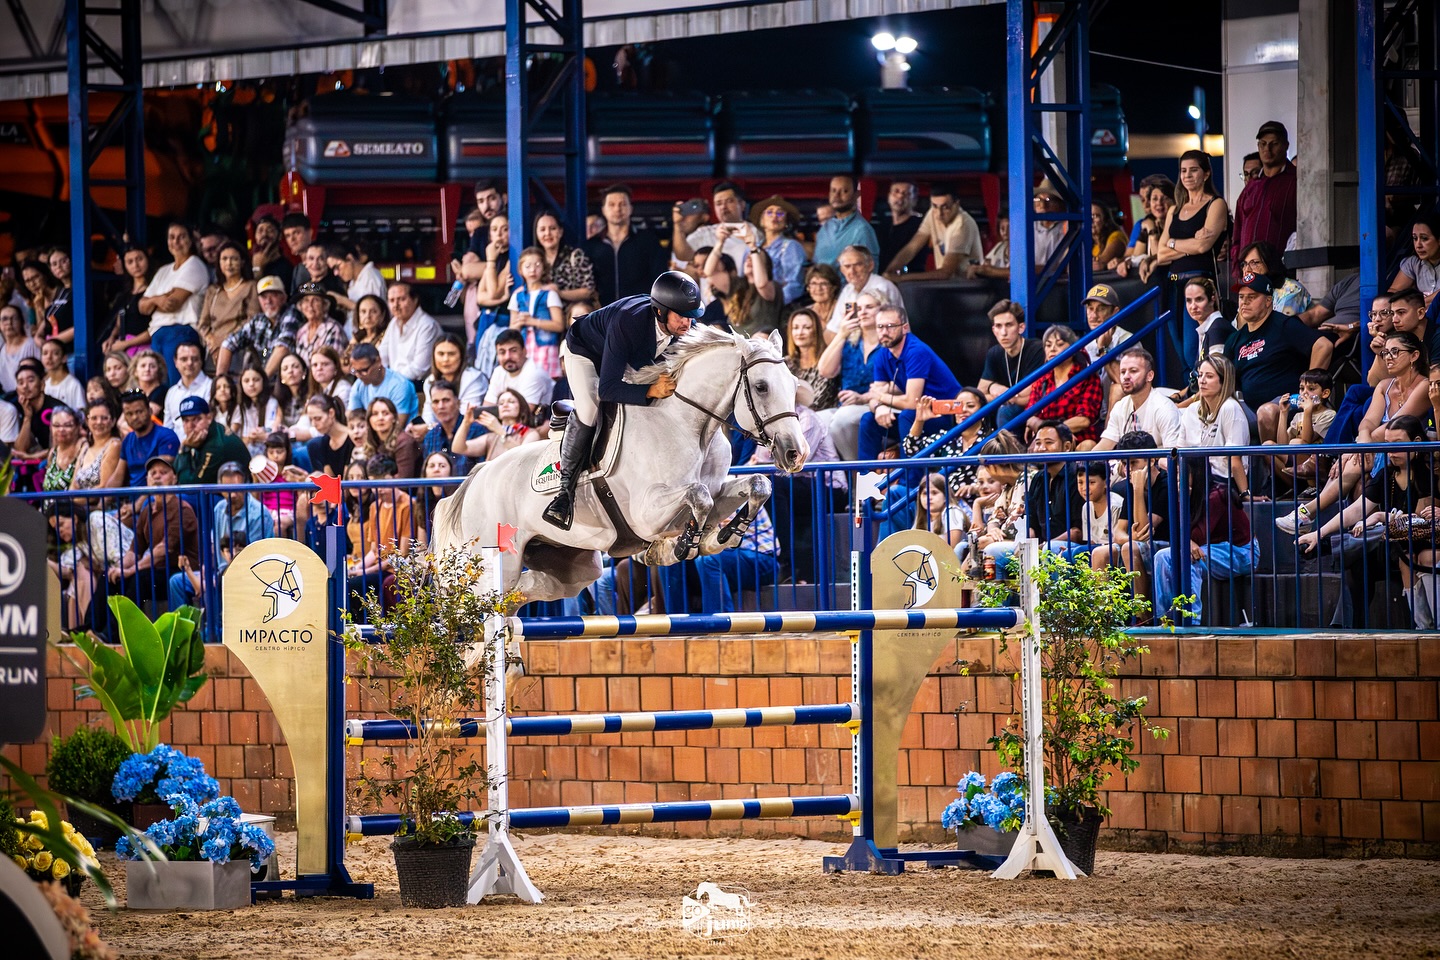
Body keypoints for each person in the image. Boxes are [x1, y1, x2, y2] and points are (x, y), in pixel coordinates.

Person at [542, 270, 704, 529]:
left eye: (692, 316)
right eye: (682, 316)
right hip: (586, 351)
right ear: (661, 312)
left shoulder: (684, 326)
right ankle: (564, 493)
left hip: (627, 355)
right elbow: (607, 388)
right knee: (590, 406)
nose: (688, 323)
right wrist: (650, 391)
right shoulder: (629, 321)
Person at [1276, 331, 1430, 534]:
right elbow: (1367, 423)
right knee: (1351, 462)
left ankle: (1306, 514)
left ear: (1414, 356)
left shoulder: (1424, 385)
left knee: (1350, 461)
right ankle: (1307, 516)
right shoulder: (1384, 385)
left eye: (1395, 352)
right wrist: (1360, 445)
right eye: (1385, 353)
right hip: (1373, 449)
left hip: (1404, 451)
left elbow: (1394, 427)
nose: (1388, 358)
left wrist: (1356, 448)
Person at [1226, 272, 1332, 441]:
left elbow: (1323, 346)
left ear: (1268, 301)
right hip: (1248, 406)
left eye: (1252, 297)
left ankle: (1275, 466)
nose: (1244, 302)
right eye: (1241, 297)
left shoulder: (1284, 325)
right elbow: (1225, 378)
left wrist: (1308, 390)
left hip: (1286, 403)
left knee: (1266, 412)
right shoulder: (1235, 339)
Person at [859, 304, 962, 460]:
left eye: (891, 326)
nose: (884, 332)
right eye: (880, 327)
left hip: (947, 415)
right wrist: (879, 407)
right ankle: (866, 480)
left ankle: (909, 481)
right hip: (922, 414)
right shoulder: (882, 353)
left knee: (908, 415)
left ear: (905, 328)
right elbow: (875, 395)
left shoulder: (916, 351)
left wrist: (880, 397)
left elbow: (911, 402)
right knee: (869, 419)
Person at [168, 459, 273, 610]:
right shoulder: (219, 508)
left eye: (237, 488)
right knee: (177, 582)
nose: (233, 494)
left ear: (246, 485)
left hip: (250, 576)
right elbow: (214, 545)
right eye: (227, 488)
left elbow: (254, 559)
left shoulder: (259, 514)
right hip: (220, 573)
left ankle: (216, 631)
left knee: (220, 582)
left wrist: (219, 576)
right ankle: (182, 631)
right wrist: (206, 569)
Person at [1089, 430, 1171, 603]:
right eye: (1124, 464)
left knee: (1129, 548)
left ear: (1153, 459)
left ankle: (1141, 616)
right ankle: (1103, 617)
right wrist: (1130, 537)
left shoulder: (1165, 483)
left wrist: (1138, 489)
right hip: (1138, 544)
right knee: (1100, 552)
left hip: (1166, 545)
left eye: (1133, 463)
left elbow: (1144, 530)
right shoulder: (1130, 484)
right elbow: (1118, 532)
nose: (1128, 469)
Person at [109, 454, 200, 609]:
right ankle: (90, 628)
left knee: (139, 579)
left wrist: (130, 570)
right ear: (147, 480)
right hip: (157, 570)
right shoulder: (147, 510)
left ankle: (119, 631)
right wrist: (121, 568)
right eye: (153, 473)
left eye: (163, 473)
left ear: (174, 478)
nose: (157, 477)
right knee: (109, 577)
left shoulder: (182, 510)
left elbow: (162, 550)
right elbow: (135, 550)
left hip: (179, 571)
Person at [816, 289, 885, 460]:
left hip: (876, 404)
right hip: (845, 406)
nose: (863, 312)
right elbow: (824, 370)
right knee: (817, 420)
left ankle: (855, 471)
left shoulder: (888, 342)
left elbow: (897, 384)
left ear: (881, 309)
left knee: (842, 420)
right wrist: (841, 334)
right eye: (859, 308)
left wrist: (863, 397)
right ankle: (838, 479)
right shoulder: (851, 342)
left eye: (869, 307)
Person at [139, 223, 209, 383]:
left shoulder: (194, 264)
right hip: (157, 334)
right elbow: (141, 307)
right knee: (160, 388)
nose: (176, 242)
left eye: (181, 237)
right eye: (172, 237)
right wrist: (158, 299)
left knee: (176, 384)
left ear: (191, 240)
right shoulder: (163, 271)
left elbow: (172, 304)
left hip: (181, 333)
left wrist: (153, 302)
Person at [1230, 121, 1297, 277]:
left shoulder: (1296, 182)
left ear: (1286, 146)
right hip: (1247, 274)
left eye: (1274, 144)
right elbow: (1237, 233)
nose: (1267, 149)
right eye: (1263, 144)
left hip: (1280, 273)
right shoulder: (1250, 188)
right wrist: (1237, 266)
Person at [585, 183, 669, 306]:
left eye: (623, 204)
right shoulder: (592, 245)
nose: (617, 209)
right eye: (611, 205)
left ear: (631, 208)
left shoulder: (647, 240)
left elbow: (660, 278)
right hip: (602, 312)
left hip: (639, 311)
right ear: (603, 210)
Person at [881, 182, 983, 282]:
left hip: (968, 287)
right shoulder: (932, 213)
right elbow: (911, 248)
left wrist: (900, 278)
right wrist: (888, 273)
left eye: (945, 207)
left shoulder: (962, 224)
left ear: (956, 204)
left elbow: (946, 273)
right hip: (950, 286)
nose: (939, 213)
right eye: (935, 206)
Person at [690, 506, 780, 613]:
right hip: (731, 559)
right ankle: (678, 623)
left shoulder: (733, 495)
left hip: (763, 561)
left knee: (708, 559)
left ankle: (721, 624)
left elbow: (724, 540)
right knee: (671, 563)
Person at [1024, 325, 1103, 447]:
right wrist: (1049, 432)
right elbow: (1030, 416)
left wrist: (1052, 431)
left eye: (1059, 344)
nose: (1053, 349)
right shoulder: (1041, 379)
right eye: (1048, 345)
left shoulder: (1087, 377)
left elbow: (1083, 420)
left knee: (1088, 445)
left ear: (1073, 348)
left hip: (1078, 438)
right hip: (1046, 441)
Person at [1094, 347, 1183, 451]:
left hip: (1157, 466)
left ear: (1149, 376)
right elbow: (1104, 446)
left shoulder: (1165, 409)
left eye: (1133, 371)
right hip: (1127, 466)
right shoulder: (1120, 407)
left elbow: (1173, 457)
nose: (1126, 377)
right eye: (1123, 372)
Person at [976, 300, 1045, 428]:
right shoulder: (994, 353)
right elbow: (980, 394)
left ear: (1021, 328)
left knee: (1006, 411)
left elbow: (1029, 395)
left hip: (1035, 410)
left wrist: (996, 393)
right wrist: (993, 387)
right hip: (1007, 410)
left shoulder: (1036, 349)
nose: (1003, 333)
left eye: (1009, 325)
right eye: (998, 326)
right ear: (993, 330)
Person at [1046, 461, 1129, 563]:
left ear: (1106, 483)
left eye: (1091, 482)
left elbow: (1116, 543)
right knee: (1053, 548)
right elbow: (1091, 541)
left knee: (1073, 553)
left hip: (1114, 550)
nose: (1084, 488)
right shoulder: (1086, 506)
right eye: (1080, 482)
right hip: (1095, 549)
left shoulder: (1115, 506)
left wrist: (1074, 551)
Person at [215, 274, 294, 377]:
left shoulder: (291, 314)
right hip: (260, 380)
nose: (268, 301)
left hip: (284, 378)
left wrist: (262, 382)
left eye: (273, 295)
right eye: (264, 297)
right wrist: (220, 380)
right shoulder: (259, 320)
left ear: (283, 298)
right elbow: (228, 344)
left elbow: (283, 347)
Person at [508, 247, 566, 380]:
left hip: (545, 346)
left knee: (548, 380)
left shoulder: (549, 294)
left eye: (537, 265)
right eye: (527, 266)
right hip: (524, 345)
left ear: (544, 269)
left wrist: (533, 322)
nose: (533, 270)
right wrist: (519, 323)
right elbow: (512, 328)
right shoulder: (517, 296)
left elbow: (559, 325)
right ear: (520, 270)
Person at [1025, 420, 1084, 547]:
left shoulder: (1077, 477)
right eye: (1038, 443)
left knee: (1048, 549)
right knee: (995, 551)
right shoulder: (1037, 478)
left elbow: (1078, 531)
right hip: (1042, 546)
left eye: (1049, 443)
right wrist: (1026, 545)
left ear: (1067, 447)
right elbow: (1032, 524)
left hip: (1070, 546)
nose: (1041, 448)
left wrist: (1046, 545)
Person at [198, 242, 258, 361]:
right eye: (224, 259)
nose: (229, 263)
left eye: (234, 259)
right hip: (213, 349)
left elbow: (252, 320)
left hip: (240, 347)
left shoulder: (251, 287)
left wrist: (225, 340)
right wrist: (211, 340)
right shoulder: (213, 291)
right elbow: (203, 324)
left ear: (242, 262)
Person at [703, 245, 780, 337]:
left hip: (761, 342)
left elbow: (761, 284)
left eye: (755, 257)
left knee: (759, 337)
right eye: (747, 257)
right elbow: (709, 272)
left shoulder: (771, 287)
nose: (749, 259)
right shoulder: (737, 286)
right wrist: (720, 242)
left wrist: (753, 247)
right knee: (714, 328)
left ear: (765, 265)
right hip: (737, 345)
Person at [1079, 283, 1133, 410]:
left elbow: (1126, 383)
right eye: (1090, 308)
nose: (1093, 315)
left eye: (1101, 308)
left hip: (1123, 413)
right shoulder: (1085, 343)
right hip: (1091, 412)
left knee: (1117, 389)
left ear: (1115, 312)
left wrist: (1103, 350)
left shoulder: (1128, 340)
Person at [176, 395, 249, 486]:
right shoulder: (209, 433)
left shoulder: (216, 446)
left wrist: (185, 450)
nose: (191, 426)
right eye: (186, 420)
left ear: (209, 418)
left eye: (197, 419)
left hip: (239, 495)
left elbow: (192, 485)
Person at [532, 210, 597, 312]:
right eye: (542, 229)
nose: (547, 233)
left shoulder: (575, 256)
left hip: (571, 316)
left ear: (561, 231)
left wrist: (560, 293)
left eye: (552, 228)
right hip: (544, 317)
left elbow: (588, 290)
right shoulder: (535, 259)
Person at [452, 388, 540, 463]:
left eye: (511, 402)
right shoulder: (492, 437)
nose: (505, 405)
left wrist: (501, 432)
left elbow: (524, 458)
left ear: (522, 408)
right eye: (501, 403)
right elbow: (458, 448)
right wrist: (466, 423)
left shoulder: (531, 434)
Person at [379, 282, 441, 387]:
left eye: (402, 299)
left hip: (419, 384)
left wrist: (390, 382)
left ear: (415, 300)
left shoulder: (427, 325)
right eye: (392, 301)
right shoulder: (394, 323)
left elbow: (419, 369)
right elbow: (382, 355)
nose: (396, 305)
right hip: (394, 381)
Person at [827, 245, 901, 334]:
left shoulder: (882, 287)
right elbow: (832, 330)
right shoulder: (848, 290)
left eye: (858, 265)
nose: (852, 271)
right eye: (847, 266)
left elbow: (884, 332)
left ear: (870, 265)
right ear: (842, 270)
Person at [749, 195, 807, 303]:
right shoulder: (753, 247)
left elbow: (794, 285)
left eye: (780, 213)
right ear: (762, 220)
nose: (774, 216)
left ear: (786, 222)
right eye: (769, 212)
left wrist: (775, 303)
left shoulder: (791, 247)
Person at [812, 175, 879, 267]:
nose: (836, 195)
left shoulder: (862, 231)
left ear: (856, 195)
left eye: (844, 191)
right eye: (833, 190)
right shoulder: (825, 229)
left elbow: (869, 271)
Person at [119, 390, 180, 488]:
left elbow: (159, 481)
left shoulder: (166, 436)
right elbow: (118, 476)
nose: (134, 417)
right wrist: (102, 501)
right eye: (129, 414)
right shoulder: (127, 440)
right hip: (131, 499)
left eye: (139, 412)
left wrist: (137, 504)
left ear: (150, 411)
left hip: (156, 498)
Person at [101, 245, 155, 355]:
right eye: (130, 262)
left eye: (139, 259)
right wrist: (111, 337)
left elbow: (155, 329)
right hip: (126, 350)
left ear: (147, 259)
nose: (136, 265)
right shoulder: (124, 295)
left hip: (147, 350)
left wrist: (126, 344)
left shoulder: (155, 290)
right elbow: (119, 324)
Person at [422, 379, 483, 474]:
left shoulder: (477, 429)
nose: (441, 406)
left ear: (458, 403)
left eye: (446, 400)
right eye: (436, 402)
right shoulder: (430, 436)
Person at [348, 342, 419, 422]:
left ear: (378, 361)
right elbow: (351, 420)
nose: (358, 375)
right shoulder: (358, 386)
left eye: (364, 370)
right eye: (355, 371)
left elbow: (397, 427)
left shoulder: (399, 385)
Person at [483, 329, 554, 409]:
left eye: (513, 351)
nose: (507, 357)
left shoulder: (534, 373)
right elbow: (487, 408)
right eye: (502, 352)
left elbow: (524, 415)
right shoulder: (498, 371)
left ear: (524, 351)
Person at [1237, 241, 1311, 317]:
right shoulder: (1248, 290)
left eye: (1254, 263)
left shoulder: (1292, 289)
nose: (1247, 270)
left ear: (1269, 263)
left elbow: (1279, 326)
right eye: (1244, 264)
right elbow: (1237, 326)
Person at [784, 308, 837, 413]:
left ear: (816, 331)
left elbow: (819, 402)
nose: (800, 332)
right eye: (795, 328)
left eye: (807, 327)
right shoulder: (786, 362)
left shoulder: (827, 361)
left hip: (822, 416)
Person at [325, 241, 388, 326]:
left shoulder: (371, 277)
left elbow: (372, 313)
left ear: (350, 258)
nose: (336, 273)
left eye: (337, 267)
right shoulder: (353, 282)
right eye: (333, 270)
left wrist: (343, 301)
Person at [291, 281, 348, 368]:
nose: (310, 305)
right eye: (306, 300)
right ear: (301, 306)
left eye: (315, 300)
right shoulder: (301, 332)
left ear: (324, 305)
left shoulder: (333, 329)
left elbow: (332, 364)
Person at [1390, 212, 1440, 311]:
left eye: (1424, 238)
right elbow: (1392, 292)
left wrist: (1415, 303)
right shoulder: (1413, 263)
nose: (1418, 245)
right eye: (1415, 238)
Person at [876, 181, 927, 276]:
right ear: (889, 196)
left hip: (909, 283)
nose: (900, 196)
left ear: (915, 200)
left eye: (906, 193)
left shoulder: (922, 226)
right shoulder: (882, 224)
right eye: (896, 191)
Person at [364, 396, 420, 479]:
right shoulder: (372, 442)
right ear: (369, 420)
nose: (380, 418)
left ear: (394, 418)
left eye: (385, 413)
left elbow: (404, 479)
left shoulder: (404, 441)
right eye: (375, 414)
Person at [162, 341, 212, 432]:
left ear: (201, 361)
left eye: (195, 359)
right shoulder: (172, 393)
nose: (189, 363)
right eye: (184, 359)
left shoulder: (211, 387)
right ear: (175, 362)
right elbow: (167, 429)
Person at [234, 362, 280, 456]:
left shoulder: (272, 402)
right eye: (246, 381)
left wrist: (259, 435)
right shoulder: (240, 405)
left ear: (263, 381)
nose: (251, 384)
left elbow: (271, 430)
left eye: (256, 380)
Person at [304, 395, 353, 478]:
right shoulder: (323, 443)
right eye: (311, 419)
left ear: (331, 413)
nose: (314, 424)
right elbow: (330, 479)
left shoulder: (352, 438)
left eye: (318, 418)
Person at [0, 303, 41, 393]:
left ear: (21, 322)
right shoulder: (2, 350)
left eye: (14, 318)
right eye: (4, 319)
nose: (9, 323)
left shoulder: (31, 345)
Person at [42, 405, 83, 492]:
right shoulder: (53, 453)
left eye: (67, 425)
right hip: (48, 505)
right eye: (56, 426)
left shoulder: (83, 448)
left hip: (74, 505)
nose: (61, 429)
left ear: (77, 427)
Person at [249, 214, 293, 288]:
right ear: (255, 237)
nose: (264, 234)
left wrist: (258, 268)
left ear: (279, 236)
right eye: (260, 231)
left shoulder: (286, 268)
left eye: (270, 230)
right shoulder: (248, 263)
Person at [40, 338, 84, 411]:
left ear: (64, 358)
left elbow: (81, 412)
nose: (49, 357)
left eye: (55, 353)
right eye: (45, 353)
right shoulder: (45, 384)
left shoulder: (73, 385)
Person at [310, 345, 353, 409]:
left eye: (325, 364)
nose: (319, 368)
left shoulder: (344, 389)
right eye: (315, 365)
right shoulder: (317, 389)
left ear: (336, 368)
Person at [802, 263, 842, 329]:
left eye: (824, 283)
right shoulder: (806, 313)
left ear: (834, 287)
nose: (818, 288)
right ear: (808, 288)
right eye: (813, 283)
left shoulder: (843, 308)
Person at [1090, 202, 1127, 271]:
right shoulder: (1090, 244)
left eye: (1095, 216)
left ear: (1105, 220)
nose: (1091, 220)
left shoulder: (1117, 236)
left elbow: (1099, 263)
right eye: (1088, 216)